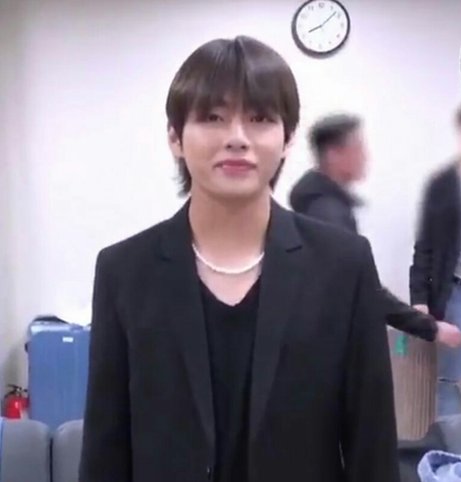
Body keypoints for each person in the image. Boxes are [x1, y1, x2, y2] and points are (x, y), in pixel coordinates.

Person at [79, 36, 400, 482]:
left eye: (260, 118)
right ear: (175, 137)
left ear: (287, 138)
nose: (237, 138)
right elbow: (106, 447)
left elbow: (372, 443)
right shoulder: (124, 271)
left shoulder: (343, 265)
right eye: (212, 117)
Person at [289, 114, 461, 348]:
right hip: (326, 343)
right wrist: (431, 328)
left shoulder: (324, 206)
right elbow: (362, 290)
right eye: (359, 148)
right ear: (334, 155)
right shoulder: (328, 215)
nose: (366, 156)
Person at [410, 98, 461, 417]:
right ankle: (454, 447)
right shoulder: (443, 185)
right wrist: (419, 299)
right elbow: (424, 245)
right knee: (449, 382)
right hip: (460, 294)